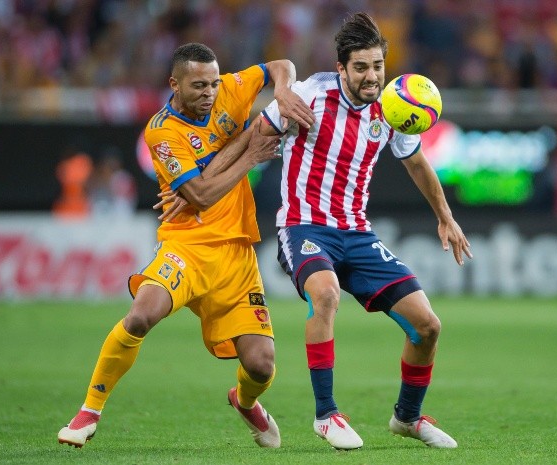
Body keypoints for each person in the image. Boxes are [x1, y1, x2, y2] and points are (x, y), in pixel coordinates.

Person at [57, 42, 314, 449]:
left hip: (236, 254)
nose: (209, 93)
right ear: (174, 84)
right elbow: (201, 195)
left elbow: (282, 64)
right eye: (198, 86)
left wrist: (281, 91)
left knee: (261, 366)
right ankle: (89, 410)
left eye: (213, 84)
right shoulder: (162, 131)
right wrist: (250, 154)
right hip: (186, 247)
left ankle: (245, 401)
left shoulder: (230, 88)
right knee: (140, 317)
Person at [259, 12, 472, 449]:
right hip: (303, 226)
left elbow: (416, 162)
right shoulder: (309, 94)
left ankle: (407, 418)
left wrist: (445, 216)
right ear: (341, 67)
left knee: (428, 326)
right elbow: (257, 134)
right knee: (326, 294)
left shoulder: (392, 107)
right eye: (360, 67)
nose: (372, 76)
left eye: (377, 66)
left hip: (357, 234)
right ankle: (326, 414)